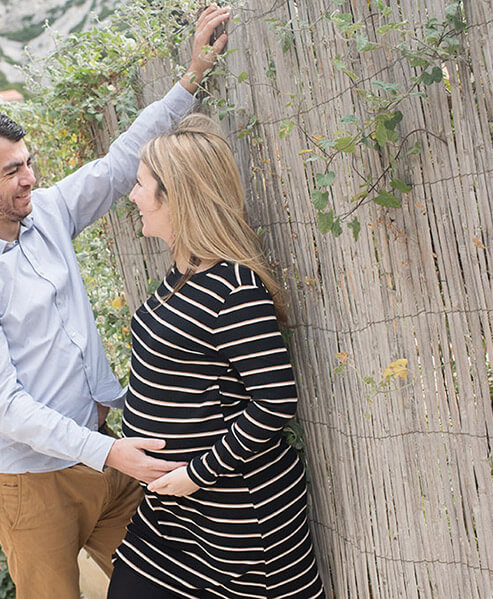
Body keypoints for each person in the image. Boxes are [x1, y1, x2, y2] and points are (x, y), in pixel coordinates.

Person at [0, 7, 231, 598]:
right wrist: (110, 452)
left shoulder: (50, 214)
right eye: (12, 171)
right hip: (29, 485)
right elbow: (7, 406)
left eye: (29, 162)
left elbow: (119, 164)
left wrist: (189, 78)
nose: (29, 178)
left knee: (171, 587)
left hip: (107, 459)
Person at [106, 114, 326, 598]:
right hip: (172, 514)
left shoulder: (234, 288)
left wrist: (194, 474)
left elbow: (275, 401)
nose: (133, 196)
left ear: (175, 195)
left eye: (141, 185)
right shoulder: (178, 279)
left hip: (234, 518)